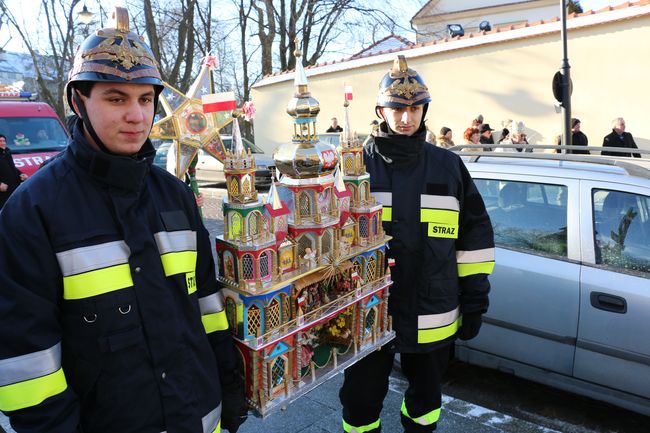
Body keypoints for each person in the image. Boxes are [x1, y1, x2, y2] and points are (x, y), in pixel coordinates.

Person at [0, 8, 247, 433]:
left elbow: (208, 307)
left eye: (145, 99)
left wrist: (229, 391)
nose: (136, 115)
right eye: (116, 98)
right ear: (79, 101)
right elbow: (26, 371)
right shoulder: (32, 212)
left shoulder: (175, 195)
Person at [339, 55, 494, 433]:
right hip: (368, 315)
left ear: (424, 109)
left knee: (426, 402)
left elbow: (474, 234)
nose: (406, 117)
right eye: (397, 108)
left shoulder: (448, 166)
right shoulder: (353, 166)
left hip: (433, 313)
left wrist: (475, 297)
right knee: (360, 404)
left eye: (414, 108)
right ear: (380, 110)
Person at [0, 133, 28, 209]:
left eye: (4, 141)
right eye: (0, 141)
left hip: (13, 189)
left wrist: (21, 174)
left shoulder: (7, 153)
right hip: (2, 193)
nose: (3, 143)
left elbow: (12, 168)